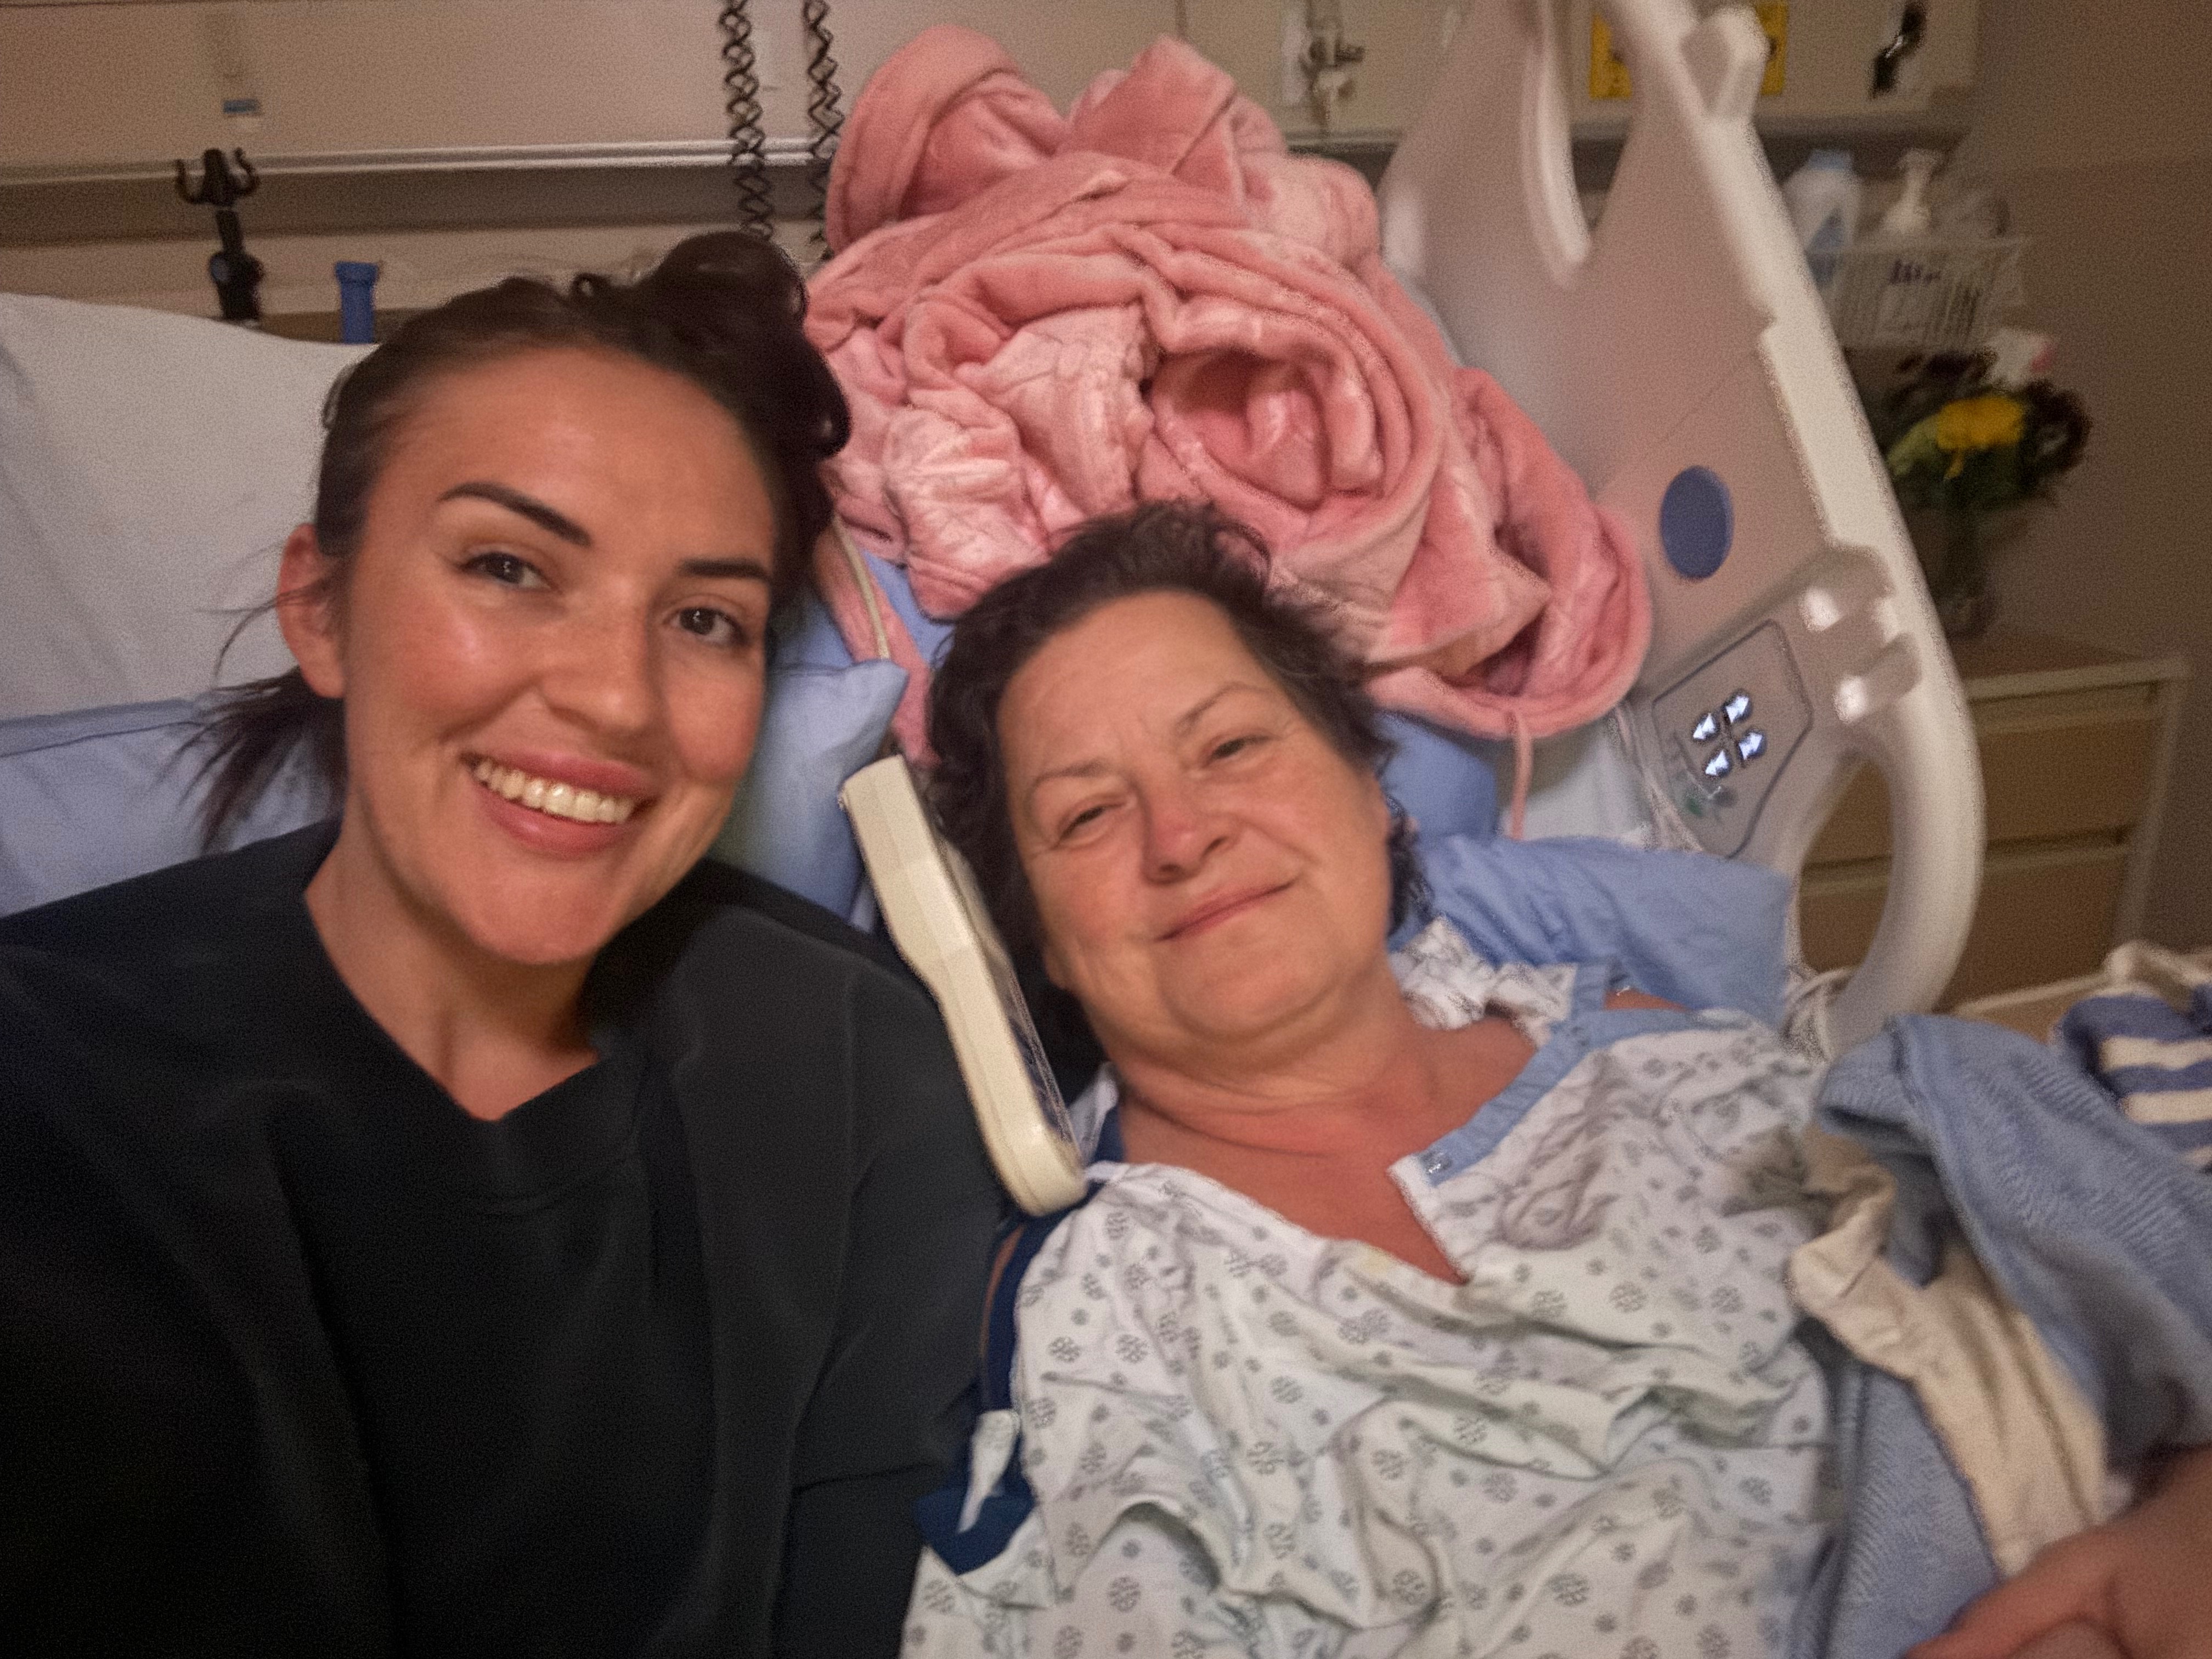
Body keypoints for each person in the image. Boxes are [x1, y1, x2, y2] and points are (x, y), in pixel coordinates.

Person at [899, 503, 2212, 1658]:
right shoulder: (1105, 1335)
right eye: (1086, 814)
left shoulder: (1659, 1050)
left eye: (1233, 746)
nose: (1183, 835)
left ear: (1374, 795)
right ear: (1039, 943)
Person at [0, 235, 1002, 1656]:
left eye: (704, 618)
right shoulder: (43, 1084)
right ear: (320, 609)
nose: (615, 699)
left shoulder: (854, 1070)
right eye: (510, 567)